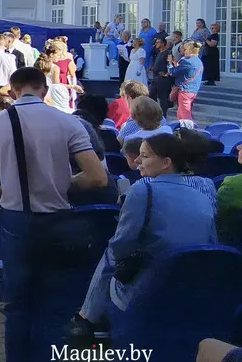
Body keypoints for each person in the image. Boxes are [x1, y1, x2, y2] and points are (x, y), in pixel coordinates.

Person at [0, 66, 107, 362]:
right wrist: (64, 183)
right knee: (51, 314)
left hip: (15, 222)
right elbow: (97, 176)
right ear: (44, 89)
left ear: (12, 90)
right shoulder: (68, 123)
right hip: (58, 221)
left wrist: (5, 191)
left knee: (17, 310)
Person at [70, 131, 217, 339]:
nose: (137, 160)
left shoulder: (142, 189)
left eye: (145, 156)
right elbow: (211, 244)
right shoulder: (204, 193)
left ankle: (87, 318)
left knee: (111, 253)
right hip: (188, 286)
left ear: (166, 162)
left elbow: (121, 246)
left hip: (147, 287)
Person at [173, 41, 204, 122]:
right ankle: (182, 129)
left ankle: (188, 131)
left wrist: (170, 64)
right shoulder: (198, 60)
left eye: (185, 49)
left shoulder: (187, 61)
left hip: (185, 90)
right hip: (193, 89)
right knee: (180, 112)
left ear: (189, 50)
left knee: (185, 115)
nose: (183, 51)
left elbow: (173, 72)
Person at [148, 36, 174, 116]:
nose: (156, 44)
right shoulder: (159, 53)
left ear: (163, 43)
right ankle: (154, 112)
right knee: (151, 94)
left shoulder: (168, 53)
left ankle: (163, 116)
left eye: (158, 42)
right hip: (155, 78)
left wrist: (167, 74)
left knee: (163, 98)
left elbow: (171, 64)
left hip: (163, 79)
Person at [203, 21, 221, 86]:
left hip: (212, 53)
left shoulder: (215, 36)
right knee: (208, 66)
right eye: (211, 28)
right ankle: (208, 79)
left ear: (217, 29)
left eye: (213, 28)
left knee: (212, 66)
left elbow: (212, 44)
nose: (212, 30)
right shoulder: (212, 35)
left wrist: (206, 40)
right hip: (208, 52)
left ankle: (211, 80)